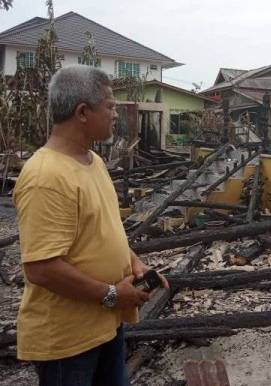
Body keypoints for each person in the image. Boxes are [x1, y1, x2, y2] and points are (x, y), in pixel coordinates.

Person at [13, 65, 168, 386]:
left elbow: (103, 230)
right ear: (82, 112)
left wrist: (135, 263)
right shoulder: (46, 176)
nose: (115, 114)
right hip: (67, 342)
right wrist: (112, 294)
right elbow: (41, 268)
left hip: (104, 325)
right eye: (110, 106)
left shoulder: (92, 161)